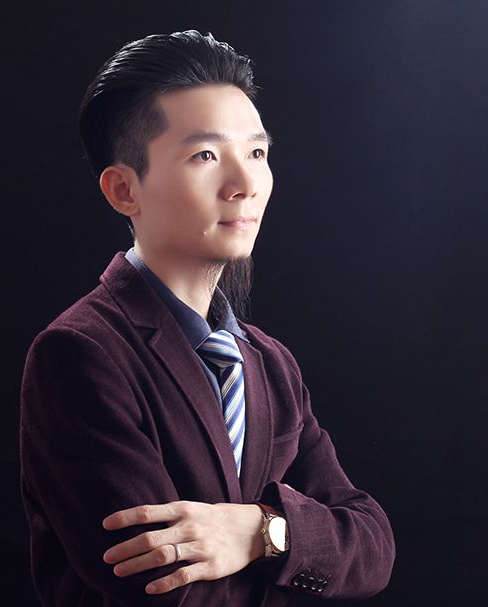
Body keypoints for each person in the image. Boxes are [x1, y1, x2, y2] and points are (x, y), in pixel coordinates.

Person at [20, 30, 395, 606]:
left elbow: (373, 547)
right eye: (205, 156)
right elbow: (165, 588)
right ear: (123, 190)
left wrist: (260, 532)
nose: (245, 185)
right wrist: (299, 542)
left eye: (257, 153)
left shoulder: (269, 362)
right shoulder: (80, 354)